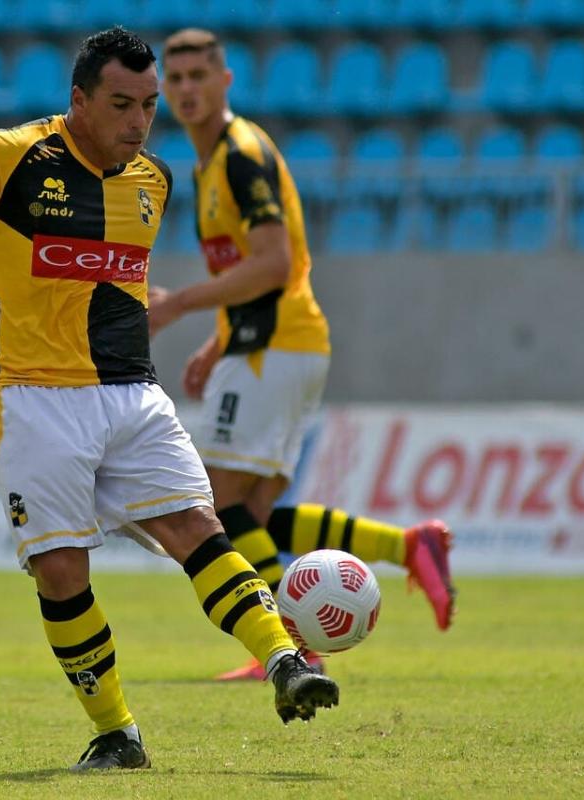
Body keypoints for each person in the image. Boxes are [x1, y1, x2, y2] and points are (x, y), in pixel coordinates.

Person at [0, 27, 338, 772]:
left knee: (199, 528)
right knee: (60, 572)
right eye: (121, 104)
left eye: (148, 105)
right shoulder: (9, 155)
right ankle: (117, 733)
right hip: (32, 395)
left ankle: (286, 662)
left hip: (131, 392)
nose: (138, 122)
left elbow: (113, 285)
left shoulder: (153, 181)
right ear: (78, 99)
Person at [151, 29, 456, 681]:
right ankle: (407, 545)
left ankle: (291, 649)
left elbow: (274, 265)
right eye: (174, 78)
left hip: (274, 348)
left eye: (198, 75)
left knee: (219, 503)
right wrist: (218, 340)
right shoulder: (214, 162)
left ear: (225, 81)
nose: (186, 89)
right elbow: (253, 272)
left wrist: (178, 306)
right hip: (279, 344)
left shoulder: (240, 156)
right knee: (251, 513)